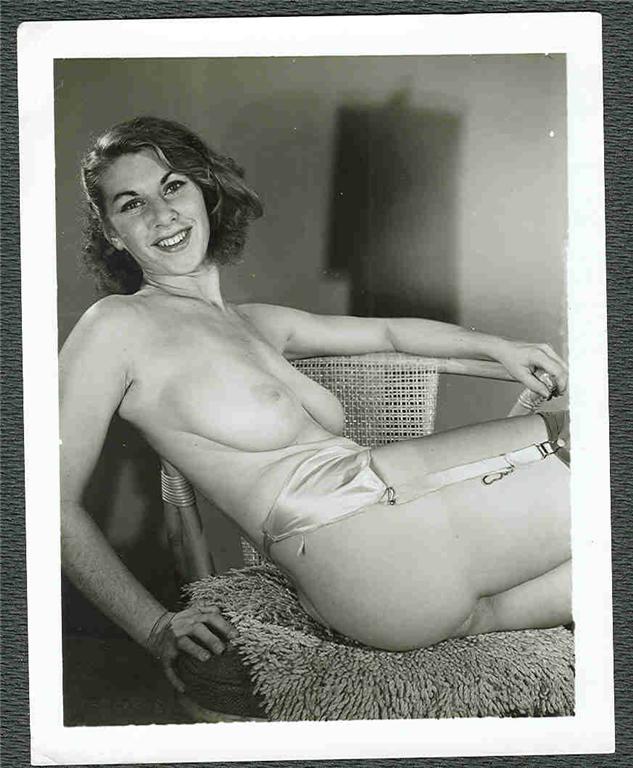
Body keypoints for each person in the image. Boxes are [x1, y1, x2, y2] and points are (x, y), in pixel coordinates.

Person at [60, 116, 571, 693]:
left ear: (204, 191)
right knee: (591, 446)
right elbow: (48, 504)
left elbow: (388, 334)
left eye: (173, 186)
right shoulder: (116, 325)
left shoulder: (255, 323)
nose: (162, 215)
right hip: (364, 547)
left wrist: (498, 347)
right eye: (132, 204)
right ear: (112, 232)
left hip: (397, 570)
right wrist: (154, 628)